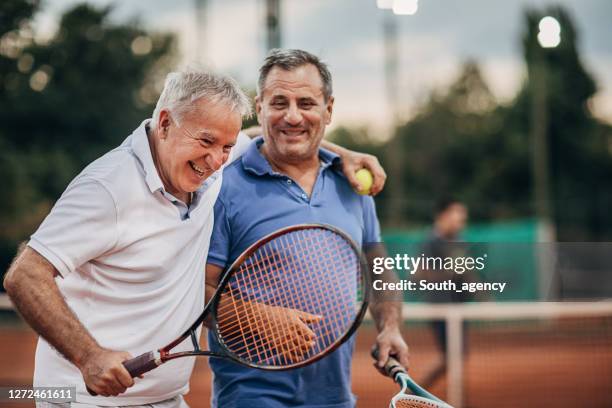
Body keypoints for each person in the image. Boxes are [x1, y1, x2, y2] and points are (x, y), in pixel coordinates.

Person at [3, 67, 387, 407]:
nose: (217, 159)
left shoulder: (208, 165)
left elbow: (265, 136)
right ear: (166, 123)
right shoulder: (106, 189)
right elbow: (24, 275)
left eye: (225, 147)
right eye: (206, 142)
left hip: (163, 396)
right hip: (83, 398)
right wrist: (88, 355)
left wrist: (344, 153)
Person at [205, 49, 409, 408]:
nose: (293, 116)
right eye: (279, 102)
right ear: (260, 108)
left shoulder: (354, 186)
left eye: (307, 103)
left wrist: (389, 327)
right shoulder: (223, 188)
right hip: (252, 397)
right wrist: (257, 319)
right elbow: (196, 292)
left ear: (328, 109)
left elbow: (379, 268)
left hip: (334, 397)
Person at [418, 198, 480, 389]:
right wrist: (449, 272)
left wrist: (476, 288)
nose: (461, 221)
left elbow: (467, 272)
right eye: (457, 215)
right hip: (441, 309)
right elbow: (420, 275)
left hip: (459, 308)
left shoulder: (460, 241)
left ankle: (458, 398)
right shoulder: (430, 242)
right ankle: (417, 391)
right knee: (453, 356)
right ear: (443, 215)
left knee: (458, 356)